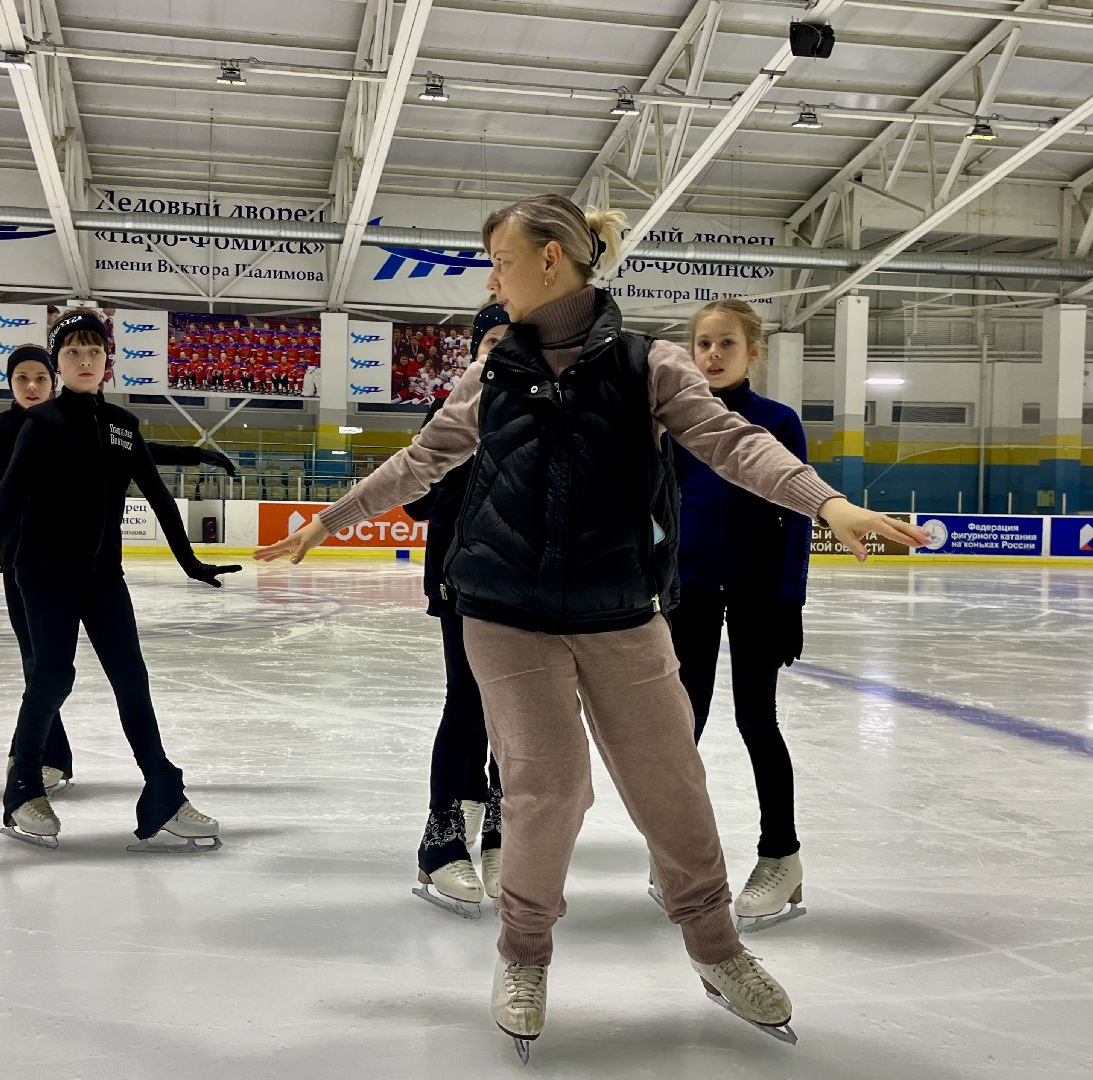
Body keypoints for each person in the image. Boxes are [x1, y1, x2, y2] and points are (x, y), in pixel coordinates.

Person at [255, 194, 930, 1060]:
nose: (491, 278)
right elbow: (427, 456)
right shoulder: (493, 365)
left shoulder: (650, 364)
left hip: (621, 609)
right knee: (548, 791)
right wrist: (331, 517)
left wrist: (827, 502)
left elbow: (731, 442)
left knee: (672, 783)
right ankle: (524, 955)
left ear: (550, 260)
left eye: (500, 259)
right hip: (503, 613)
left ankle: (717, 948)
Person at [0, 312, 243, 850]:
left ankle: (163, 793)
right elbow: (6, 500)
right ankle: (21, 791)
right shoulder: (41, 426)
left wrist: (192, 564)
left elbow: (159, 498)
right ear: (59, 365)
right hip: (42, 574)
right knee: (53, 677)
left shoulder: (123, 426)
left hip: (104, 577)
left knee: (133, 681)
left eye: (94, 353)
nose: (85, 362)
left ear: (108, 363)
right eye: (72, 354)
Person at [661, 298, 813, 934]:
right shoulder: (673, 424)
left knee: (757, 719)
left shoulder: (777, 421)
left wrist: (790, 600)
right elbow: (655, 511)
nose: (714, 355)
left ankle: (781, 855)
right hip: (685, 594)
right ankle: (677, 856)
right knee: (679, 728)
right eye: (703, 344)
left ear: (754, 353)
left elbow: (798, 514)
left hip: (755, 595)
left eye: (727, 344)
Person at [403, 302, 510, 919]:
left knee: (511, 710)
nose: (496, 351)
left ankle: (496, 814)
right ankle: (441, 836)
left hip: (519, 586)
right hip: (457, 579)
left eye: (507, 341)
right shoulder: (448, 412)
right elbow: (419, 502)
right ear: (474, 351)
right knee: (466, 701)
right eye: (488, 342)